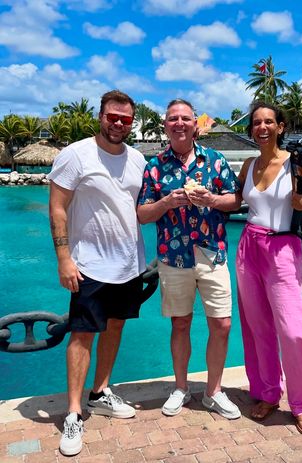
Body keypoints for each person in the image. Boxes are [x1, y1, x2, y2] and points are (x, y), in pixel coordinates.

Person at [48, 90, 147, 456]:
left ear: (131, 122)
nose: (118, 124)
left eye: (125, 119)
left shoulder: (137, 159)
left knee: (115, 327)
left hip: (129, 263)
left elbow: (136, 207)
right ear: (100, 116)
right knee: (82, 335)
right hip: (88, 264)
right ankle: (73, 412)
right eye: (112, 117)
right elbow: (58, 209)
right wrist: (63, 258)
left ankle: (100, 392)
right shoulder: (75, 154)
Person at [137, 99, 241, 420]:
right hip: (174, 256)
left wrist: (211, 198)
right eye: (173, 119)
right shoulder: (154, 166)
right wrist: (167, 201)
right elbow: (142, 214)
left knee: (221, 324)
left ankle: (213, 392)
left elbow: (235, 200)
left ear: (195, 124)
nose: (179, 123)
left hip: (213, 252)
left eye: (185, 118)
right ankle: (181, 388)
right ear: (165, 125)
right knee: (180, 324)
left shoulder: (215, 160)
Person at [236, 101, 302, 435]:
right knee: (257, 327)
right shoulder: (248, 165)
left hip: (282, 248)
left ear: (280, 127)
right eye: (256, 123)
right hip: (249, 246)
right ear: (251, 129)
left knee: (293, 330)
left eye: (268, 122)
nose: (261, 127)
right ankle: (267, 393)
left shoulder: (296, 164)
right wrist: (204, 198)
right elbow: (236, 202)